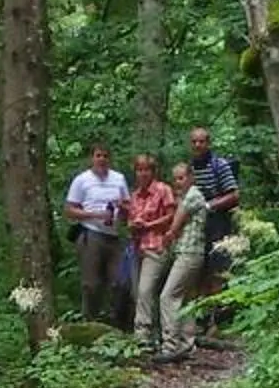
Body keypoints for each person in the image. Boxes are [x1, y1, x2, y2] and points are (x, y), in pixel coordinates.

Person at [65, 144, 130, 324]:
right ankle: (91, 323)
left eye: (105, 156)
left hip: (114, 235)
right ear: (92, 158)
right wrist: (94, 214)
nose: (102, 159)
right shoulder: (82, 180)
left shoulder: (118, 179)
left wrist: (122, 209)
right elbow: (70, 210)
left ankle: (117, 322)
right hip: (91, 234)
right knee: (91, 284)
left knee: (120, 282)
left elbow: (128, 206)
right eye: (98, 155)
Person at [155, 162, 210, 359]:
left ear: (191, 177)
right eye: (175, 179)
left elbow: (175, 226)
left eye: (181, 178)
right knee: (186, 298)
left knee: (168, 296)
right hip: (192, 253)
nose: (178, 182)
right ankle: (187, 344)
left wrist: (167, 236)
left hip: (189, 253)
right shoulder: (188, 196)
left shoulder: (193, 195)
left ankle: (170, 345)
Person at [124, 154, 178, 349]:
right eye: (139, 170)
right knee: (138, 292)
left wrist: (148, 225)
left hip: (157, 246)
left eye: (146, 169)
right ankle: (154, 334)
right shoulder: (135, 196)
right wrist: (134, 224)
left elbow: (172, 216)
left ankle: (142, 335)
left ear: (153, 171)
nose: (143, 173)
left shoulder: (163, 190)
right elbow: (130, 222)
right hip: (137, 247)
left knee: (145, 289)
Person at [185, 126, 240, 300]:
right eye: (194, 142)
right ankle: (199, 318)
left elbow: (234, 195)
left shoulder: (219, 165)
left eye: (201, 141)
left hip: (218, 223)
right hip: (195, 226)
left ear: (208, 143)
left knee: (218, 269)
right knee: (197, 270)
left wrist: (209, 206)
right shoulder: (190, 168)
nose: (197, 145)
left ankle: (218, 316)